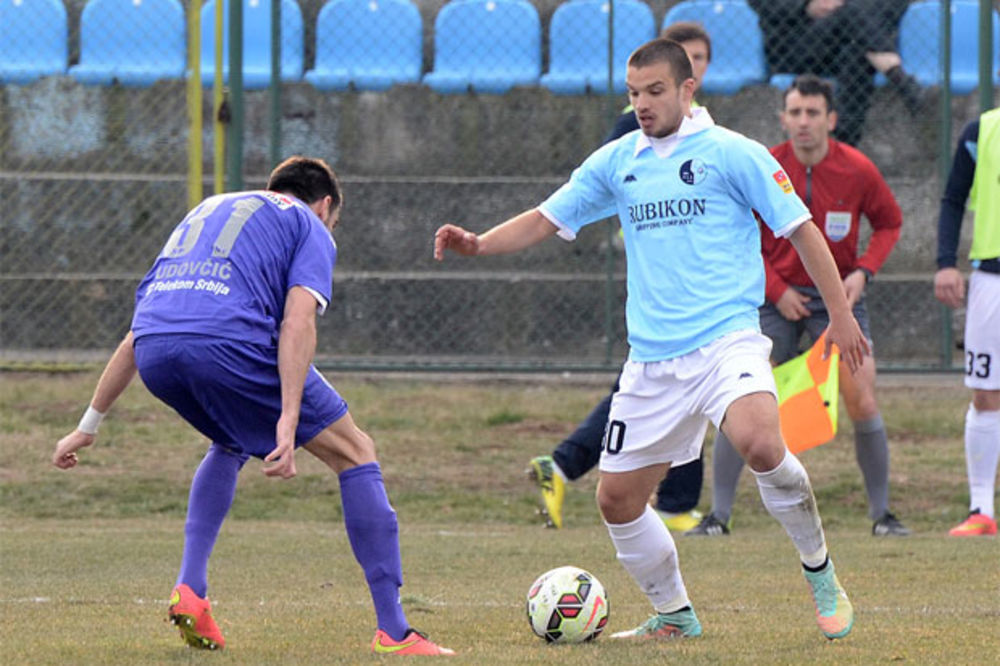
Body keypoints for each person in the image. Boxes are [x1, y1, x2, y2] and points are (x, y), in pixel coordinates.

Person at [437, 38, 867, 641]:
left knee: (760, 443)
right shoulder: (617, 161)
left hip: (727, 340)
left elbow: (800, 229)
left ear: (688, 90)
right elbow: (545, 216)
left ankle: (821, 574)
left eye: (655, 91)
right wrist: (480, 242)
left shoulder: (731, 153)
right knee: (616, 500)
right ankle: (674, 614)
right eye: (634, 93)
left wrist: (842, 319)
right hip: (653, 361)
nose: (642, 103)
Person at [51, 157, 455, 657]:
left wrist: (88, 424)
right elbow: (298, 321)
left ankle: (192, 589)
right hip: (225, 343)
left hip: (156, 350)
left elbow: (141, 331)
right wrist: (287, 418)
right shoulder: (308, 223)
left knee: (230, 438)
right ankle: (394, 631)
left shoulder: (211, 208)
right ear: (326, 205)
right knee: (355, 451)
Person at [687, 74, 910, 538]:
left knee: (861, 395)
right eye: (795, 113)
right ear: (783, 119)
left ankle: (883, 517)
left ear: (831, 119)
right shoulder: (764, 164)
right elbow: (738, 236)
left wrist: (861, 272)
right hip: (775, 298)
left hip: (837, 302)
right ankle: (718, 517)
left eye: (813, 113)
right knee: (739, 398)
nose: (803, 122)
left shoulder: (858, 169)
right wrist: (776, 289)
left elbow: (890, 222)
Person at [527, 21, 713, 532]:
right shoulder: (634, 129)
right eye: (639, 91)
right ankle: (669, 503)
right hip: (660, 292)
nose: (693, 65)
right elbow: (603, 185)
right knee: (669, 391)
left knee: (685, 392)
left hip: (699, 292)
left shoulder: (712, 136)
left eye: (699, 58)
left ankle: (578, 469)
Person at [934, 106, 1000, 537]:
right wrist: (944, 263)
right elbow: (953, 198)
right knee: (985, 393)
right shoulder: (982, 131)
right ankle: (981, 510)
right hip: (992, 280)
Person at [748, 0, 925, 147]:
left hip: (841, 44)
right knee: (852, 16)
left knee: (855, 50)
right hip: (792, 48)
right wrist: (805, 5)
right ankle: (899, 77)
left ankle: (844, 140)